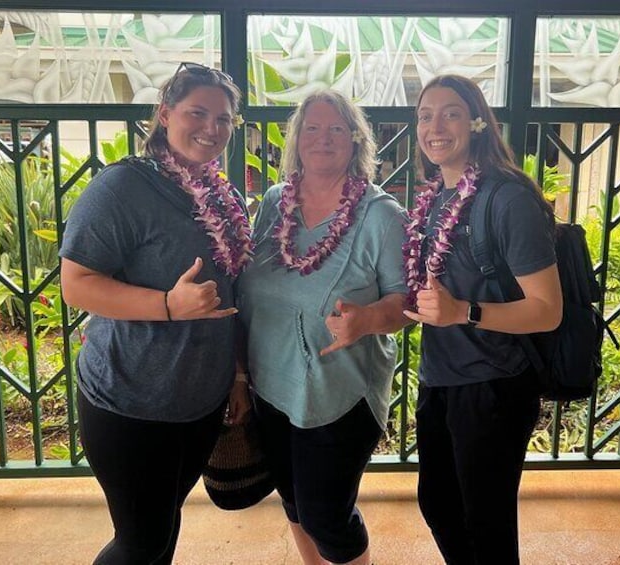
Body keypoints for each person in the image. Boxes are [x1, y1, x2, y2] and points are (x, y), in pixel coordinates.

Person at [59, 62, 252, 565]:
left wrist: (234, 375)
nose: (211, 129)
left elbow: (231, 294)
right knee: (139, 540)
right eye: (198, 113)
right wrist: (167, 305)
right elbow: (75, 285)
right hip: (130, 402)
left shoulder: (224, 194)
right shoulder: (122, 188)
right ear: (165, 115)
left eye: (224, 119)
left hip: (199, 403)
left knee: (163, 525)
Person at [235, 90, 409, 565]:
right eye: (312, 128)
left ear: (356, 141)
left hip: (340, 392)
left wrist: (368, 319)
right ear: (296, 139)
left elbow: (406, 302)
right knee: (293, 499)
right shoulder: (275, 201)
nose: (323, 138)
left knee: (326, 513)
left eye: (336, 129)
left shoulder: (381, 215)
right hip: (272, 384)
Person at [402, 75, 563, 564]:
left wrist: (463, 312)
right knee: (440, 504)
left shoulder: (507, 198)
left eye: (450, 113)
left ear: (475, 123)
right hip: (442, 379)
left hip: (494, 385)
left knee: (486, 524)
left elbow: (547, 309)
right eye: (426, 114)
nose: (435, 126)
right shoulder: (437, 199)